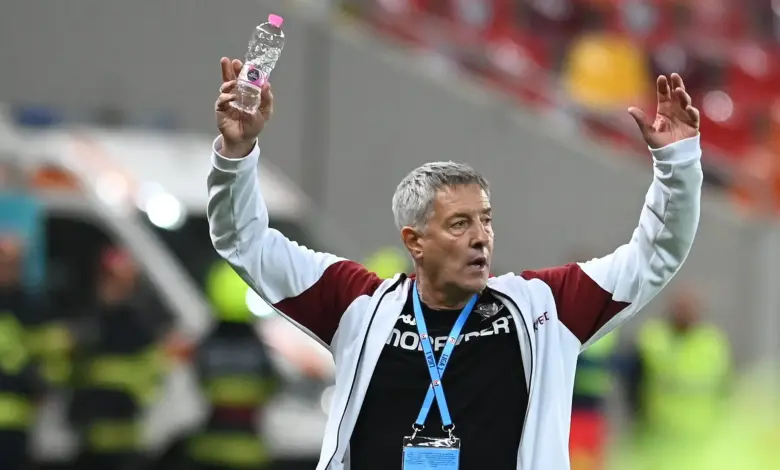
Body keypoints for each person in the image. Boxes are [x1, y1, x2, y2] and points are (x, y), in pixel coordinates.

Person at [208, 55, 702, 470]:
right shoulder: (357, 304)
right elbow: (244, 241)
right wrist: (236, 152)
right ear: (415, 241)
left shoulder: (544, 307)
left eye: (486, 220)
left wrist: (677, 165)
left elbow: (654, 254)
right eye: (460, 224)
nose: (480, 237)